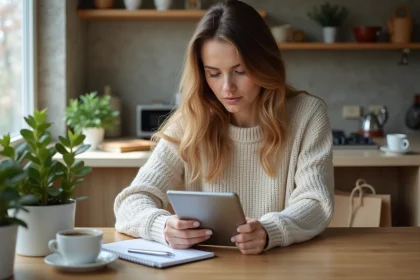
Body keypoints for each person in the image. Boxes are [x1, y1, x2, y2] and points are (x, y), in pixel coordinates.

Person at [114, 0, 334, 255]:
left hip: (281, 265)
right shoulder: (191, 121)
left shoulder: (307, 114)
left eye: (239, 71)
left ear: (264, 64)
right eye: (214, 73)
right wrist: (162, 226)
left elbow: (316, 203)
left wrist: (269, 230)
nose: (226, 87)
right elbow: (131, 201)